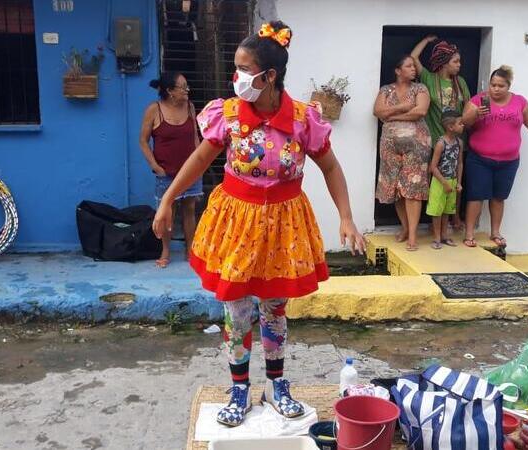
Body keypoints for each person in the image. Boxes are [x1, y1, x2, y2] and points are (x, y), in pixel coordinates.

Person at [152, 21, 365, 427]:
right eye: (236, 68)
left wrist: (347, 217)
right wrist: (167, 199)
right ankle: (238, 388)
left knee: (275, 309)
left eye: (245, 69)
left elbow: (331, 167)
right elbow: (199, 160)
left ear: (269, 76)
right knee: (238, 310)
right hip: (236, 223)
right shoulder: (227, 115)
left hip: (284, 226)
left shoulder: (304, 119)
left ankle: (277, 384)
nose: (237, 78)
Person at [461, 65, 528, 248]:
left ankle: (495, 232)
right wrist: (476, 114)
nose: (496, 89)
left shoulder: (519, 102)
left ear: (508, 85)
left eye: (500, 86)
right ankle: (469, 234)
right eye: (493, 85)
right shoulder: (479, 100)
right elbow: (464, 123)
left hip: (508, 161)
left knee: (499, 197)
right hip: (480, 159)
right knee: (476, 196)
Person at [139, 72, 203, 268]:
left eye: (186, 86)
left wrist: (200, 162)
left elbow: (195, 138)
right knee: (167, 212)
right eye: (182, 87)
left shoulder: (190, 107)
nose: (187, 90)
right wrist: (155, 166)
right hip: (165, 173)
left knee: (190, 210)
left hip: (190, 171)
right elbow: (143, 141)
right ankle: (165, 250)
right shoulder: (154, 110)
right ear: (169, 91)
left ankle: (190, 249)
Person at [411, 35, 471, 231]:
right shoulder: (429, 78)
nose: (459, 65)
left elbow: (468, 107)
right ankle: (433, 221)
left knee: (456, 177)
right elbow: (413, 58)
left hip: (456, 139)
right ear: (444, 63)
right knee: (435, 179)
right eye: (455, 61)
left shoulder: (460, 82)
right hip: (435, 139)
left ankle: (454, 217)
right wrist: (426, 41)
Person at [373, 55, 431, 251]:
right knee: (396, 187)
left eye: (414, 66)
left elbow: (420, 111)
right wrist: (402, 107)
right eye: (409, 66)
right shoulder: (386, 90)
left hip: (416, 144)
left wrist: (392, 115)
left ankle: (413, 236)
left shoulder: (420, 89)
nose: (413, 69)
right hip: (390, 145)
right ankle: (405, 228)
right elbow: (377, 111)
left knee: (412, 187)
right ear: (398, 71)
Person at [427, 111, 464, 249]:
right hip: (440, 182)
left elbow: (459, 163)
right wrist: (444, 182)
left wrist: (458, 182)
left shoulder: (459, 143)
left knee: (447, 210)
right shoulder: (441, 144)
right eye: (460, 123)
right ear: (450, 126)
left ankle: (444, 235)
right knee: (437, 210)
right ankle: (436, 237)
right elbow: (433, 167)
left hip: (452, 181)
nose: (463, 125)